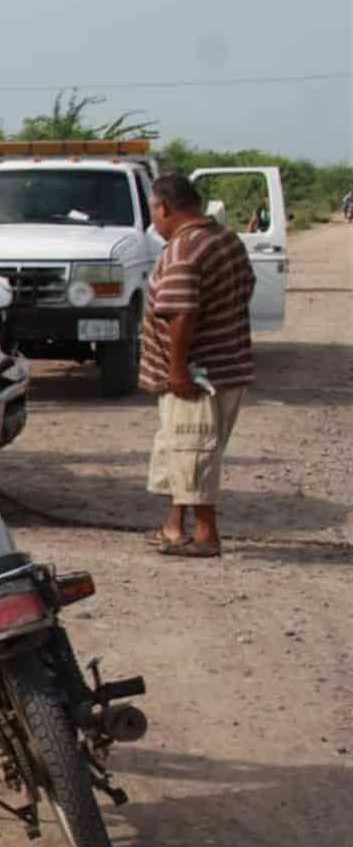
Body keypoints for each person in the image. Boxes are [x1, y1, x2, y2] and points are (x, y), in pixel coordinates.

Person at [138, 173, 255, 558]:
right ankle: (173, 527)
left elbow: (182, 313)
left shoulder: (183, 250)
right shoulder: (225, 238)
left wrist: (178, 370)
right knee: (182, 449)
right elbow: (246, 288)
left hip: (198, 376)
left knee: (193, 451)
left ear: (163, 208)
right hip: (226, 365)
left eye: (153, 210)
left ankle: (206, 535)